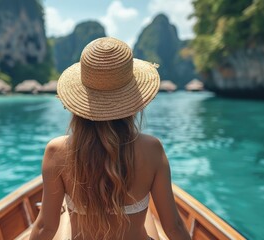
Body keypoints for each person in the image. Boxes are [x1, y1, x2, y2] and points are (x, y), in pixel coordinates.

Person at [30, 37, 190, 240]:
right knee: (148, 215)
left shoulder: (57, 151)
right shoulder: (152, 149)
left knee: (63, 217)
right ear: (133, 99)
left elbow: (45, 227)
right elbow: (174, 227)